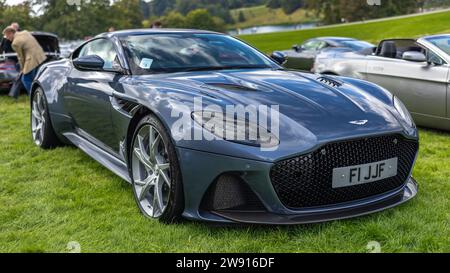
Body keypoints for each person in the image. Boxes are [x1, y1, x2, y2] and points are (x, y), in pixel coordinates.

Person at [2, 26, 46, 95]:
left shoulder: (15, 43)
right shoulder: (25, 32)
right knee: (36, 79)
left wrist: (22, 69)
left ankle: (34, 96)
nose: (7, 38)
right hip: (40, 57)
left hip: (31, 60)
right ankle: (41, 94)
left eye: (7, 36)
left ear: (11, 33)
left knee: (25, 79)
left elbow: (21, 57)